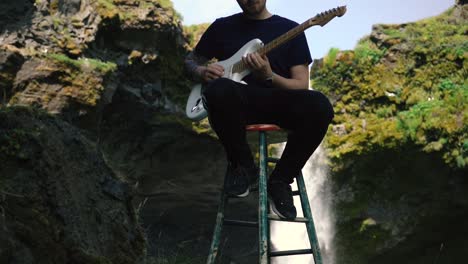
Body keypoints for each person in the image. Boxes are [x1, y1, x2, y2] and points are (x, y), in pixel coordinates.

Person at [184, 0, 334, 219]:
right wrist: (200, 72)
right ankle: (244, 167)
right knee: (218, 89)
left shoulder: (291, 29)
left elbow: (301, 85)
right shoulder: (222, 27)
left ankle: (281, 180)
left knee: (320, 105)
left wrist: (269, 76)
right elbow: (190, 61)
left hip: (280, 104)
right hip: (237, 106)